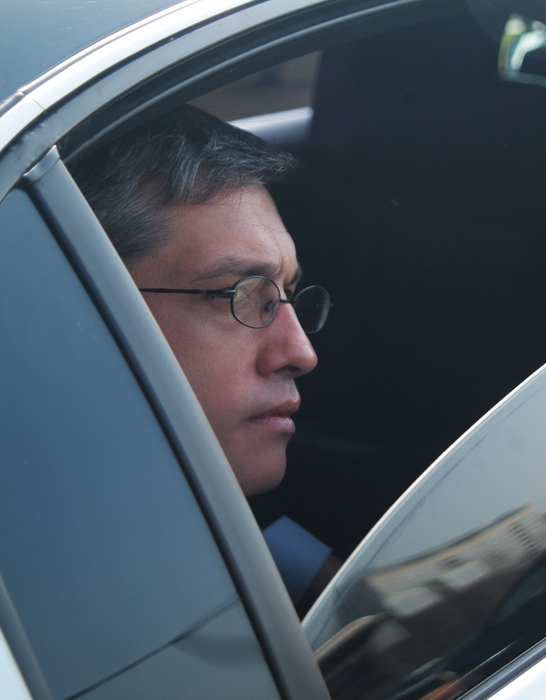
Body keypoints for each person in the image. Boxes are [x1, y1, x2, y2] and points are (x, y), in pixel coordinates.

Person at [70, 104, 339, 613]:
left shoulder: (197, 496)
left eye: (287, 292)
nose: (301, 353)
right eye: (234, 294)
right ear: (86, 308)